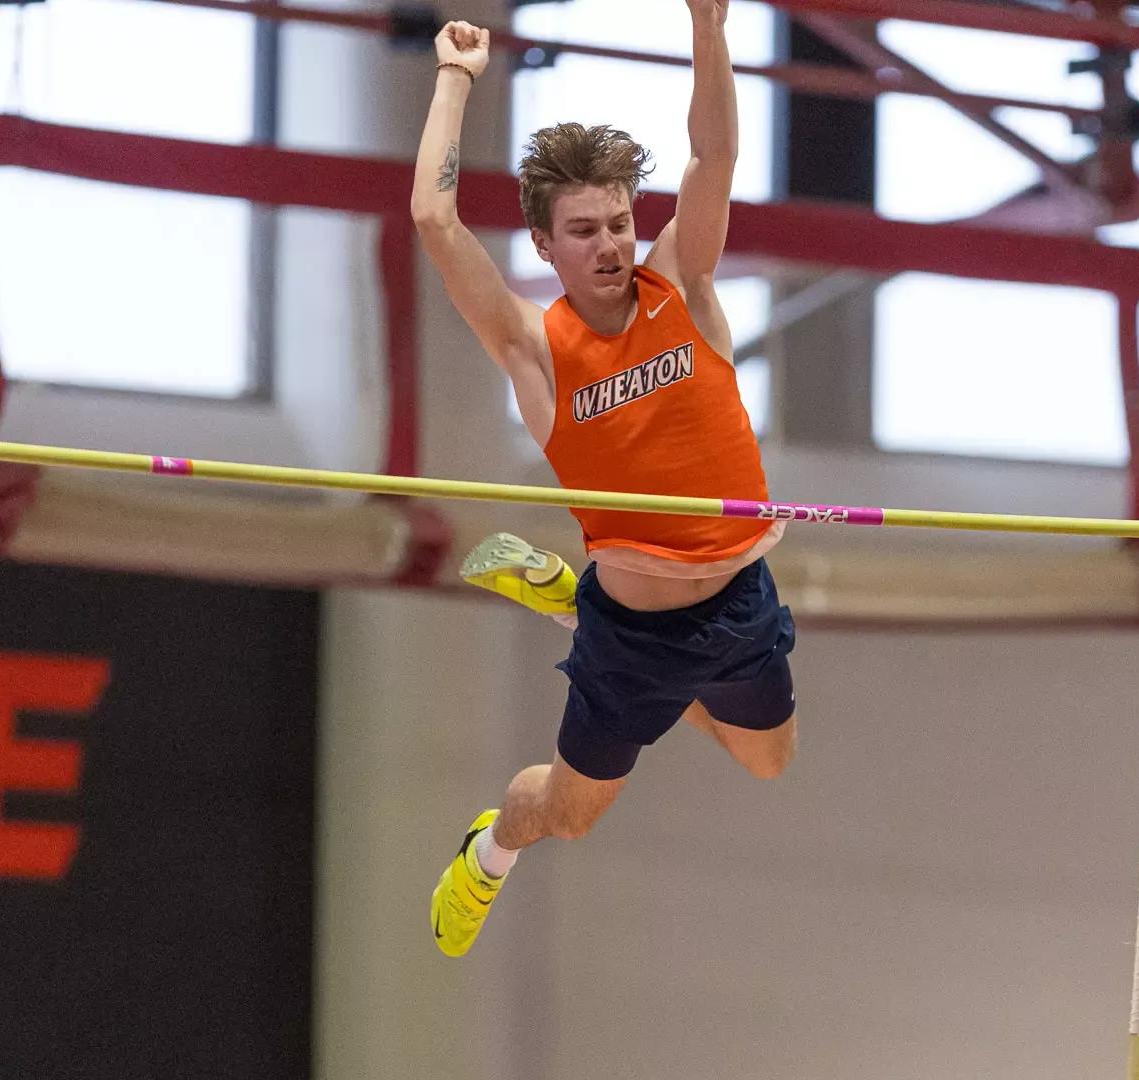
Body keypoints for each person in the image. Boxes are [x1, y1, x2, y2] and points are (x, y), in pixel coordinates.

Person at [410, 2, 798, 958]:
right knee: (568, 814)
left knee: (769, 760)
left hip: (741, 598)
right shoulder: (535, 352)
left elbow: (713, 159)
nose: (611, 244)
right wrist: (455, 81)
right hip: (637, 639)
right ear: (546, 246)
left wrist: (709, 26)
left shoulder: (685, 287)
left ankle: (566, 605)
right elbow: (432, 215)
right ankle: (487, 853)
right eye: (583, 230)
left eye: (619, 222)